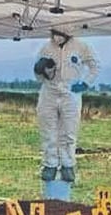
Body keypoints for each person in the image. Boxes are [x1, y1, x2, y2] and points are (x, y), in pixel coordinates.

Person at [33, 28, 99, 183]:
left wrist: (85, 83)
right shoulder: (45, 48)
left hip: (71, 92)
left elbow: (95, 66)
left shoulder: (82, 46)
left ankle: (68, 164)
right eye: (54, 33)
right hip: (49, 91)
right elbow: (38, 76)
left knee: (69, 130)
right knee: (48, 129)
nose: (57, 37)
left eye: (60, 33)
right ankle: (50, 164)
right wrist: (41, 70)